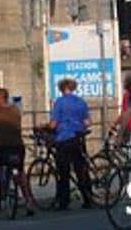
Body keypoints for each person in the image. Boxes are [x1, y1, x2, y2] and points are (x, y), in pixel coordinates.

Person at [0, 87, 37, 214]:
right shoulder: (16, 109)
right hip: (18, 146)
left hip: (2, 147)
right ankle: (28, 200)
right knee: (20, 171)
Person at [48, 78, 94, 209]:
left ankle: (64, 201)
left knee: (63, 170)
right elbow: (87, 122)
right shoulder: (80, 102)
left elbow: (53, 124)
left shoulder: (60, 102)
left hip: (64, 138)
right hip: (78, 138)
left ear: (61, 89)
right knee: (81, 169)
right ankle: (88, 198)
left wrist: (45, 126)